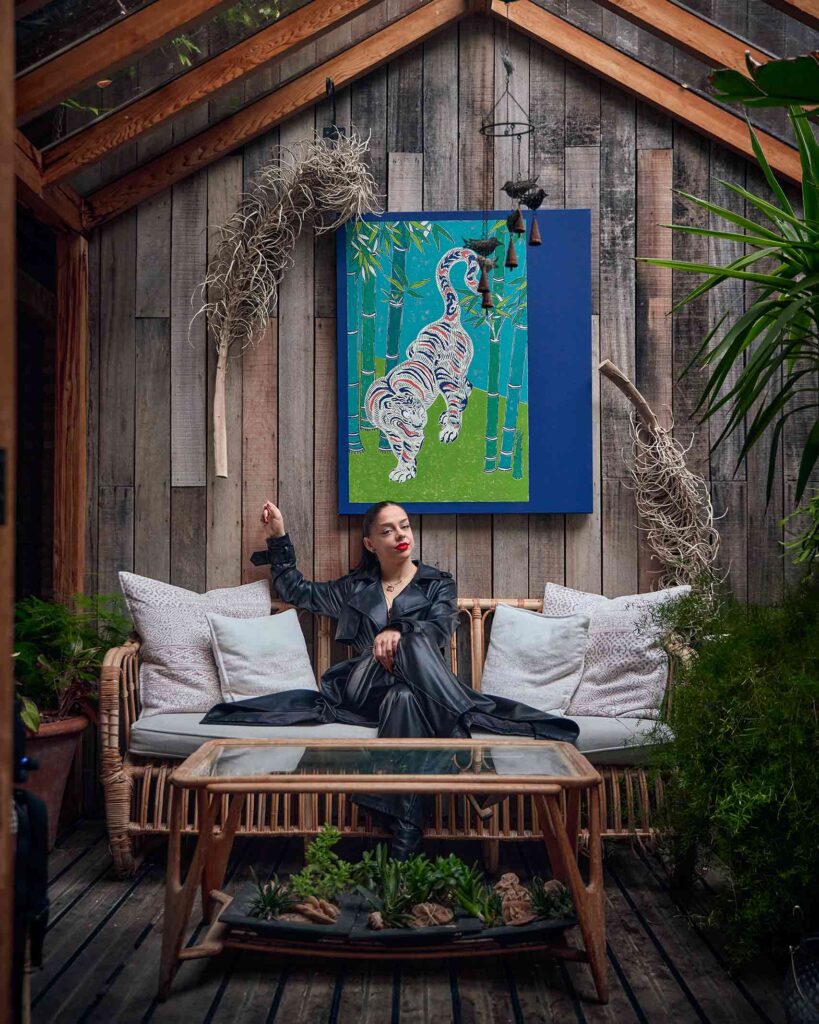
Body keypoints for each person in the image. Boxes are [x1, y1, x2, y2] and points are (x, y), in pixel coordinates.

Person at [202, 500, 579, 858]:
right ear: (370, 543)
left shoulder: (437, 584)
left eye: (405, 526)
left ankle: (403, 843)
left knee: (404, 695)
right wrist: (278, 537)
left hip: (411, 693)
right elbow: (295, 590)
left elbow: (440, 629)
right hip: (361, 691)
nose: (401, 535)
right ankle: (468, 755)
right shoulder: (354, 588)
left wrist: (400, 629)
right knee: (407, 649)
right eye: (387, 530)